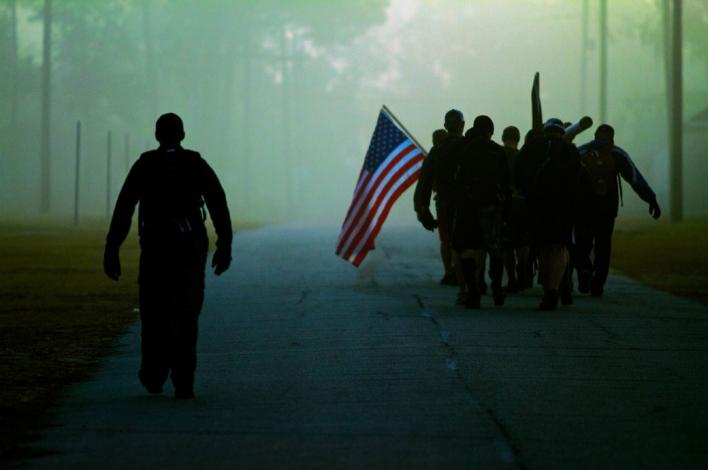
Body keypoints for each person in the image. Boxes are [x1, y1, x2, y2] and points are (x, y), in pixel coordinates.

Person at [103, 113, 233, 399]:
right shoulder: (196, 164)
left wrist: (112, 248)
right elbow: (217, 203)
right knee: (188, 314)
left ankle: (154, 374)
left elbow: (124, 207)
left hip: (156, 249)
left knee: (153, 313)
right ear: (183, 135)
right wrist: (225, 244)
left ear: (157, 136)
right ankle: (183, 380)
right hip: (190, 250)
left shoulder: (145, 165)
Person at [575, 124, 661, 296]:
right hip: (607, 211)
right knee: (603, 246)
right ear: (612, 137)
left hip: (583, 209)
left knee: (582, 244)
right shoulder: (617, 154)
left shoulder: (582, 152)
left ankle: (584, 269)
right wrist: (651, 199)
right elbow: (635, 179)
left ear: (595, 135)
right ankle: (598, 283)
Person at [515, 118, 583, 310]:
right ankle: (557, 286)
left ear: (544, 131)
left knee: (544, 248)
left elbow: (517, 173)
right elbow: (579, 180)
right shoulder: (569, 150)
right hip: (564, 208)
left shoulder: (532, 146)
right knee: (559, 248)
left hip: (537, 206)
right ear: (563, 132)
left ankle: (548, 290)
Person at [452, 115, 510, 308]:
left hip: (468, 207)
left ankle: (473, 291)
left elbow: (459, 180)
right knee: (495, 249)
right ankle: (496, 289)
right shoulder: (497, 152)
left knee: (468, 249)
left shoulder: (465, 150)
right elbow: (506, 182)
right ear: (491, 131)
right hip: (492, 207)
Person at [414, 110, 466, 287]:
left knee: (446, 239)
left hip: (444, 202)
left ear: (445, 126)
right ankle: (469, 276)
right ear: (462, 125)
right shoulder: (470, 147)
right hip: (468, 202)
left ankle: (450, 272)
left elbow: (424, 182)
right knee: (468, 241)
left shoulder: (437, 151)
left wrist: (422, 208)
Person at [500, 125, 532, 292]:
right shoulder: (524, 157)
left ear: (503, 138)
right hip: (522, 204)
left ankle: (511, 278)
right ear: (518, 139)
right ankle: (523, 267)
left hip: (504, 204)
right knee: (522, 242)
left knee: (506, 245)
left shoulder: (498, 156)